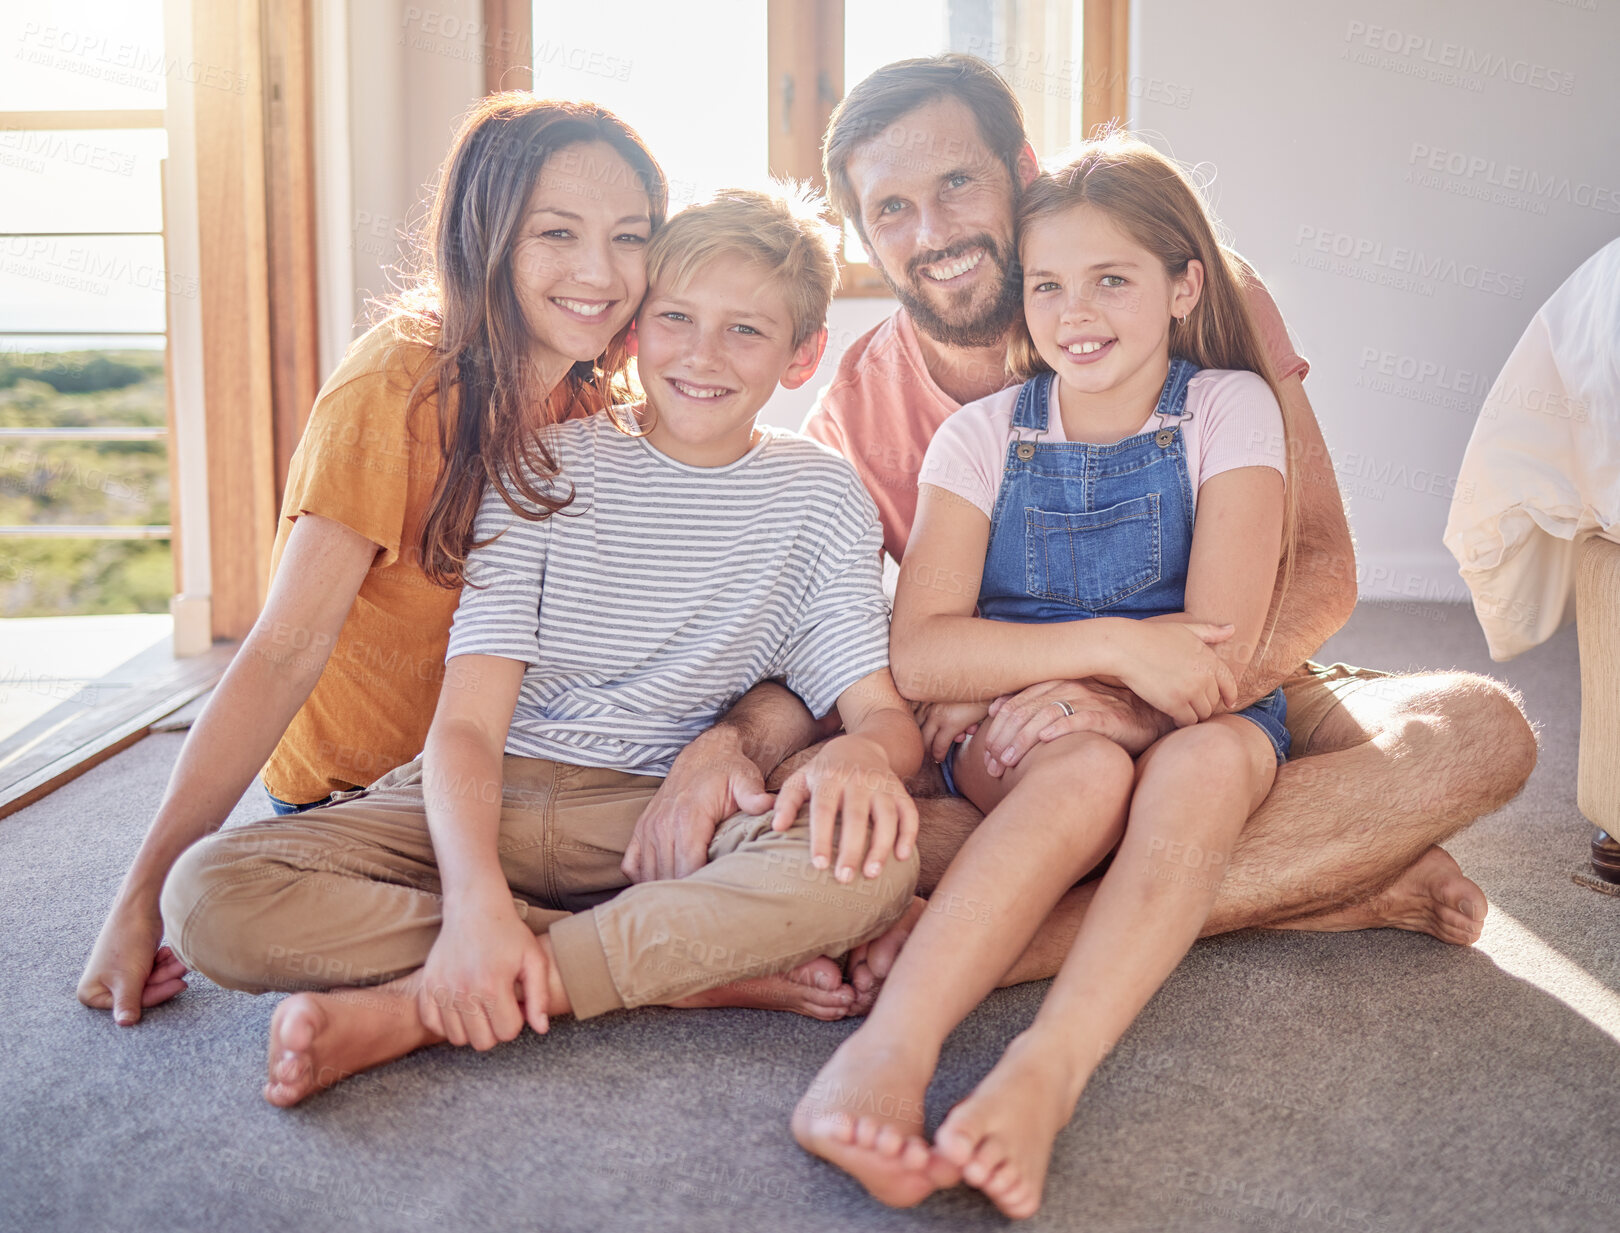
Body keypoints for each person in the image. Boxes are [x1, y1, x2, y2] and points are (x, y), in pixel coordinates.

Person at [77, 95, 847, 1029]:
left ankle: (549, 949)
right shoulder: (395, 388)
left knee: (873, 849)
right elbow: (281, 652)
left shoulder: (595, 400)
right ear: (490, 237)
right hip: (369, 794)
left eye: (630, 236)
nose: (600, 273)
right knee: (211, 904)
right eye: (557, 233)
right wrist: (137, 893)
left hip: (532, 782)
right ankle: (665, 960)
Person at [157, 185, 923, 1107]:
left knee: (872, 869)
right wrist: (475, 895)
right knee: (208, 897)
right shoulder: (545, 461)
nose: (704, 355)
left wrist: (860, 755)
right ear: (635, 331)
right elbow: (469, 724)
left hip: (658, 823)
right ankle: (668, 962)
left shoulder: (822, 495)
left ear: (803, 356)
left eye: (747, 332)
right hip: (500, 788)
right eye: (677, 317)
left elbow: (880, 713)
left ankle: (429, 1003)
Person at [793, 54, 1537, 997]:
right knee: (857, 814)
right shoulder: (858, 407)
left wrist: (1147, 703)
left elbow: (1319, 565)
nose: (931, 232)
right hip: (1019, 728)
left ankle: (1025, 940)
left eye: (955, 182)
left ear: (1021, 171)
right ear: (863, 233)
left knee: (1475, 730)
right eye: (890, 209)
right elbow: (850, 640)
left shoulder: (1200, 295)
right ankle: (1332, 875)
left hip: (1232, 665)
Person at [796, 134, 1299, 1218]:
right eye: (1048, 285)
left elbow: (1216, 649)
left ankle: (1046, 1069)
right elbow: (925, 651)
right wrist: (1112, 649)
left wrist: (1124, 683)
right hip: (1034, 729)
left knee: (1207, 763)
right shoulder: (979, 438)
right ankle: (891, 1051)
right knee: (1077, 774)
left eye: (1112, 279)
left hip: (1198, 710)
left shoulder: (1228, 408)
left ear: (1183, 286)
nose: (1078, 312)